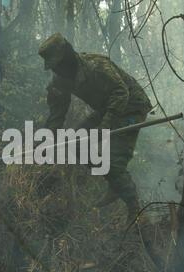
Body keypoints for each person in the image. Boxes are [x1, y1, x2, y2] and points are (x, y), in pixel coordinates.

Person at [38, 33, 152, 220]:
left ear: (67, 55)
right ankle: (115, 183)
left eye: (58, 63)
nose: (57, 70)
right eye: (53, 66)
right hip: (106, 108)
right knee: (75, 143)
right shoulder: (59, 80)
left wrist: (104, 128)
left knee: (115, 161)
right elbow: (57, 113)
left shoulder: (97, 65)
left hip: (132, 106)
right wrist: (46, 141)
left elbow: (120, 92)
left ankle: (136, 210)